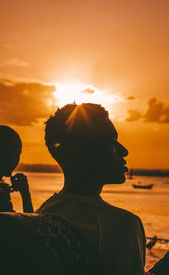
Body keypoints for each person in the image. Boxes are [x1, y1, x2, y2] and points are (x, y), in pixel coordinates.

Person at [36, 103, 146, 275]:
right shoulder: (122, 226)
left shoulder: (45, 211)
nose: (123, 151)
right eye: (111, 141)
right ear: (83, 152)